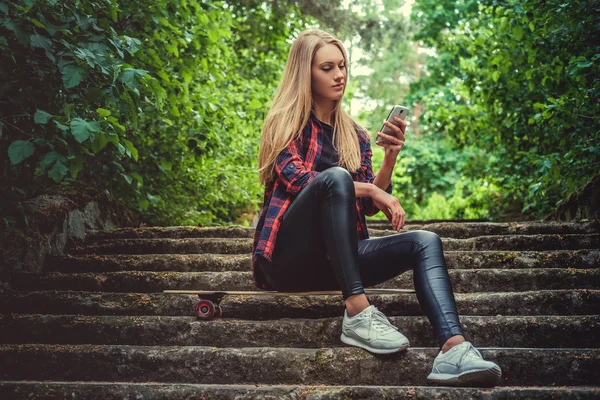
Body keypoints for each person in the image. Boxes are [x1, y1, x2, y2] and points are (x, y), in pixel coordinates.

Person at [251, 28, 502, 387]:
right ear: (305, 73)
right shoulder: (286, 123)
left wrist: (390, 159)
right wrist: (369, 188)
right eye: (327, 67)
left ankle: (454, 350)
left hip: (340, 263)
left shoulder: (356, 134)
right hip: (287, 261)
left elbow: (368, 206)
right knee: (334, 179)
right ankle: (357, 312)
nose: (339, 75)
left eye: (342, 66)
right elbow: (300, 181)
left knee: (425, 241)